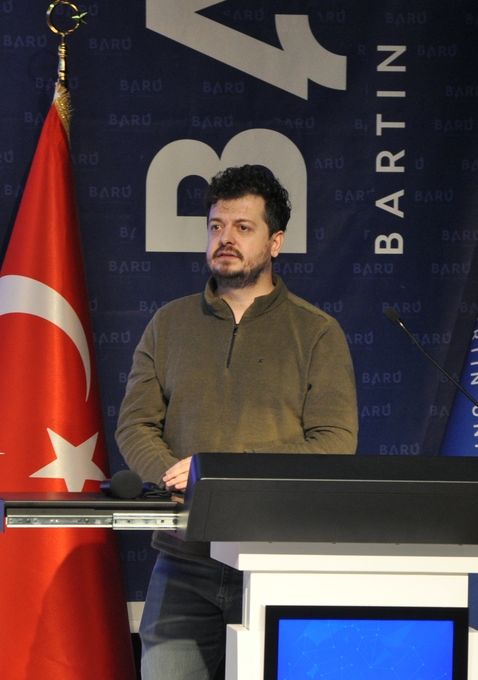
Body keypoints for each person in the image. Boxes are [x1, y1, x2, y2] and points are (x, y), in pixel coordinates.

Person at [116, 165, 358, 680]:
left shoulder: (318, 332)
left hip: (282, 558)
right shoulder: (168, 323)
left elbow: (335, 442)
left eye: (243, 227)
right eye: (216, 226)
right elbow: (134, 425)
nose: (225, 238)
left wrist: (217, 473)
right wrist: (176, 477)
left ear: (275, 242)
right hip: (184, 558)